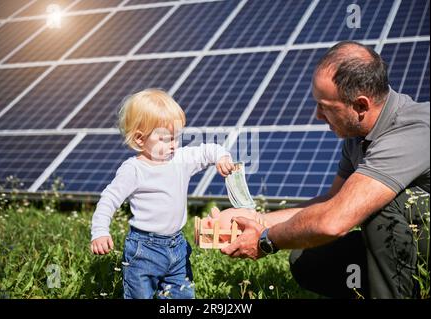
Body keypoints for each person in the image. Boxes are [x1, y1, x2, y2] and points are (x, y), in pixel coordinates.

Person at [220, 41, 430, 299]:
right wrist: (255, 221)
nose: (317, 115)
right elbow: (333, 201)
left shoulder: (413, 132)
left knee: (382, 208)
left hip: (421, 245)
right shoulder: (358, 133)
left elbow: (334, 221)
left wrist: (266, 241)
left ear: (361, 106)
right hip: (407, 243)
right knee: (308, 259)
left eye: (326, 107)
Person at [90, 88, 235, 299]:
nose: (174, 145)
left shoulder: (180, 159)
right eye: (166, 139)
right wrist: (100, 231)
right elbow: (109, 200)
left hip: (177, 246)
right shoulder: (134, 170)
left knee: (182, 296)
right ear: (140, 140)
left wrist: (221, 157)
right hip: (144, 250)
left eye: (176, 137)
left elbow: (207, 150)